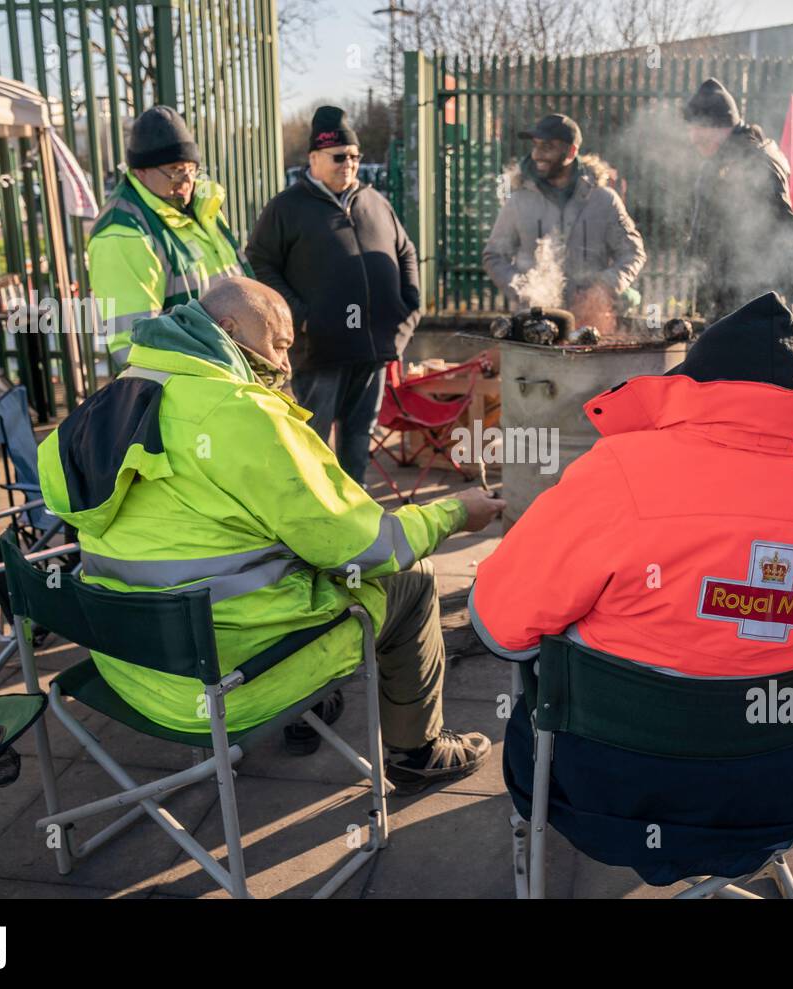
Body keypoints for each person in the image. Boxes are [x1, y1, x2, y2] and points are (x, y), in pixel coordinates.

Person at [468, 293, 793, 885]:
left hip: (600, 793)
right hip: (780, 793)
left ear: (692, 386)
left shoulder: (618, 472)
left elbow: (501, 624)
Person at [36, 277, 506, 793]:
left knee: (267, 552)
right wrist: (456, 512)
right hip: (227, 678)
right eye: (279, 344)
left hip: (128, 665)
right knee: (412, 577)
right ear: (231, 329)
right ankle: (420, 751)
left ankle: (315, 705)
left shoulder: (116, 398)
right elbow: (365, 547)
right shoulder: (242, 414)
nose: (285, 365)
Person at [246, 106, 420, 485]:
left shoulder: (375, 202)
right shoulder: (286, 208)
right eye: (339, 156)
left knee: (359, 444)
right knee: (314, 445)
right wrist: (300, 316)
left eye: (355, 156)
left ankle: (354, 517)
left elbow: (406, 252)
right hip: (320, 351)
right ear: (314, 158)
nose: (349, 164)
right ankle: (315, 522)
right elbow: (259, 263)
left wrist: (410, 307)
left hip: (373, 349)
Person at [88, 105, 252, 372]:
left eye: (191, 168)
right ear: (141, 171)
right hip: (195, 384)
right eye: (175, 170)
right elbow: (136, 343)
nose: (187, 181)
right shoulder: (122, 234)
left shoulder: (202, 205)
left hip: (229, 371)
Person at [481, 112, 646, 322]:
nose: (537, 155)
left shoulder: (604, 200)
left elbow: (632, 253)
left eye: (547, 147)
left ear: (571, 151)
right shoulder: (519, 201)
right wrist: (526, 290)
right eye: (535, 145)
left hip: (592, 322)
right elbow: (494, 256)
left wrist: (604, 287)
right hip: (535, 323)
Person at [683, 79, 793, 322]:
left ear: (719, 125)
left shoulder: (756, 162)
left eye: (698, 128)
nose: (693, 137)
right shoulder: (718, 163)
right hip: (725, 300)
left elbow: (786, 226)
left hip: (754, 301)